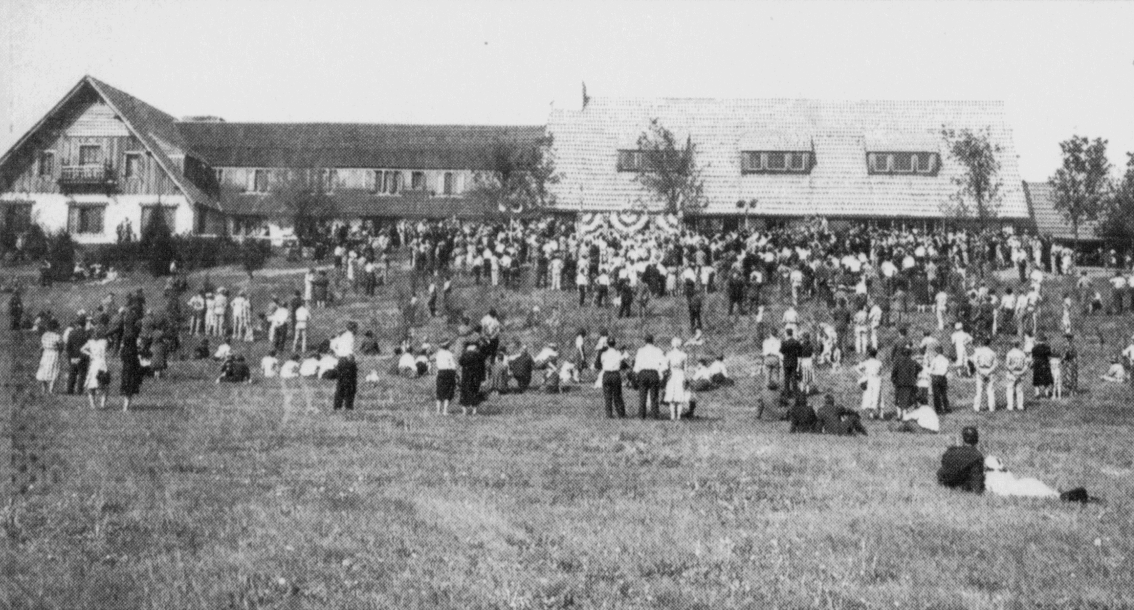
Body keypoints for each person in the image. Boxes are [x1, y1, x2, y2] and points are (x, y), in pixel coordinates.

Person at [937, 426, 985, 494]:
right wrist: (979, 491)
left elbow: (944, 466)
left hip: (945, 482)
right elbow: (976, 480)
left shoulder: (950, 451)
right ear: (976, 440)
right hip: (959, 485)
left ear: (963, 439)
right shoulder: (977, 456)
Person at [633, 334, 666, 419]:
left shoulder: (641, 350)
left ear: (645, 341)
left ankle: (641, 415)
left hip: (643, 373)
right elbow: (664, 365)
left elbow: (637, 365)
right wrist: (660, 373)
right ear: (653, 341)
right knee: (654, 395)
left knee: (642, 395)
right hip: (653, 373)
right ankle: (655, 414)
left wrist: (636, 374)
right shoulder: (658, 350)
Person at [81, 328, 110, 410]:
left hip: (94, 364)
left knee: (91, 385)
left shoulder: (90, 342)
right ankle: (102, 404)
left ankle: (93, 405)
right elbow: (105, 353)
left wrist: (90, 354)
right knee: (104, 386)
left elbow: (82, 349)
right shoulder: (104, 342)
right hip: (102, 364)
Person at [330, 321, 357, 411]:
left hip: (340, 361)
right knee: (350, 385)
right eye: (356, 328)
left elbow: (333, 345)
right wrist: (353, 362)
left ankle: (337, 406)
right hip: (347, 361)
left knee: (340, 384)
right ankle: (348, 407)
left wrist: (338, 354)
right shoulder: (350, 337)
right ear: (353, 328)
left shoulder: (341, 335)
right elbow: (349, 352)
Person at [663, 338, 691, 421]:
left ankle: (672, 416)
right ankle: (678, 416)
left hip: (671, 375)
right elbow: (685, 368)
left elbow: (665, 367)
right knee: (679, 396)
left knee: (671, 395)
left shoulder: (669, 354)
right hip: (680, 374)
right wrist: (686, 378)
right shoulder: (684, 355)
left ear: (672, 344)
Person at [599, 337, 626, 418]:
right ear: (615, 344)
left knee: (607, 395)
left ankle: (609, 414)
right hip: (615, 374)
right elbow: (622, 363)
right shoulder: (618, 353)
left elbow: (601, 363)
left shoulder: (604, 354)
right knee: (617, 395)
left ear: (607, 344)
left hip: (606, 374)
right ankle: (621, 413)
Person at [890, 346, 921, 417]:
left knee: (898, 398)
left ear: (902, 353)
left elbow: (894, 371)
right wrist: (915, 374)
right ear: (910, 353)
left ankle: (899, 415)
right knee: (906, 398)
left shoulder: (897, 361)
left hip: (899, 382)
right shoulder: (913, 361)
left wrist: (893, 379)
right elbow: (920, 368)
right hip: (909, 383)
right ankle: (904, 414)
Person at [36, 320, 63, 395]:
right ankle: (51, 390)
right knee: (54, 370)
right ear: (55, 328)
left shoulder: (44, 335)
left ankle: (44, 389)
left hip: (46, 353)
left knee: (44, 371)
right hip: (54, 353)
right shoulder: (57, 336)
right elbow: (61, 346)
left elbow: (42, 345)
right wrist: (59, 351)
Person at [119, 326, 143, 411]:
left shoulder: (124, 350)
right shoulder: (134, 350)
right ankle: (126, 406)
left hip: (125, 370)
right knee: (130, 390)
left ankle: (125, 406)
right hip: (133, 371)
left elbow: (121, 358)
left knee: (126, 389)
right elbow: (137, 361)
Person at [971, 337, 998, 412]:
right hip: (990, 370)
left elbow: (975, 362)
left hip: (981, 370)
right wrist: (989, 371)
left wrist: (980, 371)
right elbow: (995, 364)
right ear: (989, 343)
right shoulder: (992, 352)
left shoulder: (978, 352)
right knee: (990, 390)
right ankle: (992, 408)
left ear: (982, 343)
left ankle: (976, 407)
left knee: (979, 390)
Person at [64, 317, 90, 395]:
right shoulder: (87, 334)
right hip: (83, 357)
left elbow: (68, 347)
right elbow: (88, 347)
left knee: (72, 374)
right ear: (85, 324)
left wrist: (71, 357)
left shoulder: (71, 333)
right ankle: (79, 391)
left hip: (73, 357)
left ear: (77, 324)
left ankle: (70, 390)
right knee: (82, 375)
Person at [857, 347, 883, 418]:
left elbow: (858, 368)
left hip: (869, 379)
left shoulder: (866, 362)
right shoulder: (879, 362)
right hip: (877, 379)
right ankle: (881, 414)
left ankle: (871, 414)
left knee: (870, 395)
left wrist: (863, 374)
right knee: (877, 395)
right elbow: (880, 371)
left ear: (869, 354)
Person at [458, 342, 483, 415]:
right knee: (475, 392)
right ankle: (474, 411)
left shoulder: (464, 355)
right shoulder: (478, 355)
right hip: (475, 376)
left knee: (464, 392)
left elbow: (460, 362)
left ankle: (464, 411)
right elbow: (482, 365)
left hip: (466, 376)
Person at [434, 340, 457, 414]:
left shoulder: (438, 354)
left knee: (440, 390)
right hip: (450, 372)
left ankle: (438, 411)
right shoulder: (450, 354)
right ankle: (445, 410)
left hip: (441, 372)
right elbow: (453, 365)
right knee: (448, 391)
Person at [928, 344, 951, 414]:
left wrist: (931, 374)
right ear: (942, 352)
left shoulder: (934, 359)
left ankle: (938, 410)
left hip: (935, 377)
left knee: (936, 394)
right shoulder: (946, 360)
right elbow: (947, 369)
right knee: (944, 394)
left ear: (936, 352)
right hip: (943, 377)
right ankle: (947, 408)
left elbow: (930, 369)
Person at [780, 329, 803, 397]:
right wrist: (797, 356)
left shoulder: (784, 342)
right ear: (792, 333)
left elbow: (782, 351)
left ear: (787, 334)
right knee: (794, 378)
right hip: (793, 361)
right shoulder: (796, 342)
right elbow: (800, 351)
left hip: (786, 361)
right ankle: (795, 393)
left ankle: (787, 393)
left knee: (786, 378)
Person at [1031, 334, 1053, 399]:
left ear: (1038, 340)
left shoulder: (1034, 348)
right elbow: (1049, 356)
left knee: (1036, 379)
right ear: (1044, 340)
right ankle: (1046, 394)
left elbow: (1033, 357)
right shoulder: (1047, 347)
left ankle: (1037, 394)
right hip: (1045, 364)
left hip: (1037, 364)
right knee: (1046, 379)